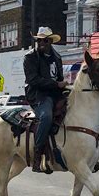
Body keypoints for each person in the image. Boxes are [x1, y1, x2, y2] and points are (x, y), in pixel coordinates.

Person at [23, 27, 68, 172]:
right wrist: (56, 84)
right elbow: (33, 80)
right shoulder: (30, 57)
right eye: (39, 40)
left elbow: (59, 78)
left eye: (45, 40)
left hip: (56, 93)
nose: (41, 42)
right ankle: (37, 157)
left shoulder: (57, 57)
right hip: (39, 95)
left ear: (50, 41)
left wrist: (65, 87)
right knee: (47, 117)